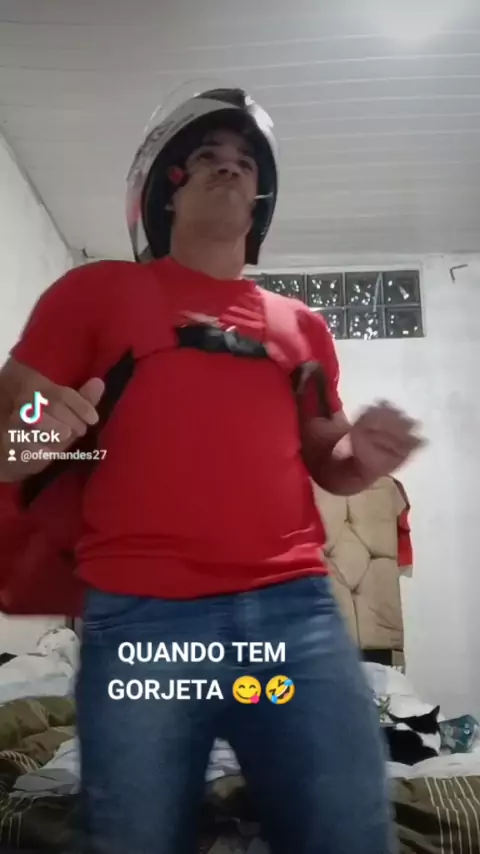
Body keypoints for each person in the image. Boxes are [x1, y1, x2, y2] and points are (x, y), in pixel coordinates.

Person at [0, 88, 423, 854]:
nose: (230, 167)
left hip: (293, 627)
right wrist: (39, 428)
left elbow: (331, 462)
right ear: (169, 188)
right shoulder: (94, 292)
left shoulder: (303, 328)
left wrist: (366, 456)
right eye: (208, 157)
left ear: (260, 200)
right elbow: (10, 441)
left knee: (347, 835)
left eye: (245, 162)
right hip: (147, 627)